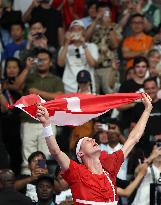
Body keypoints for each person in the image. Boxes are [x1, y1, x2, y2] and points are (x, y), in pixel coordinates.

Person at [36, 93, 152, 205]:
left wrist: (147, 110)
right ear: (80, 153)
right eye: (87, 140)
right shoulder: (76, 172)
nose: (93, 140)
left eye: (92, 139)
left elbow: (133, 138)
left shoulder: (110, 167)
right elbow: (56, 152)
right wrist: (46, 124)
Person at [14, 48, 64, 175]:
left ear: (50, 62)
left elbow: (59, 97)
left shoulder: (56, 80)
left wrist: (38, 92)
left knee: (45, 155)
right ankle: (29, 184)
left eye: (44, 59)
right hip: (28, 121)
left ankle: (43, 179)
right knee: (28, 155)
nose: (41, 62)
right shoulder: (29, 77)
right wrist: (26, 68)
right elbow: (16, 86)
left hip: (47, 122)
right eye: (39, 59)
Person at [58, 19, 98, 93]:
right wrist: (66, 42)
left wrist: (83, 44)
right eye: (73, 30)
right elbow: (60, 64)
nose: (76, 32)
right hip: (69, 86)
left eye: (79, 29)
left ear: (84, 32)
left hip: (87, 86)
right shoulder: (65, 47)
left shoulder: (92, 46)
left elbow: (92, 63)